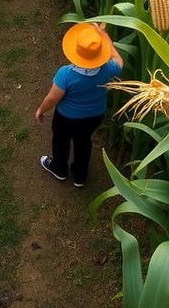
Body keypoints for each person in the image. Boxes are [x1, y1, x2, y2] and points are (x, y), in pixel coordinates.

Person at [34, 23, 123, 188]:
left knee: (61, 142)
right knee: (83, 143)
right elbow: (118, 59)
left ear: (75, 52)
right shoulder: (108, 69)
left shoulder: (66, 74)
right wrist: (104, 37)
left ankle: (59, 169)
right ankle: (80, 176)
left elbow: (52, 99)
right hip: (94, 116)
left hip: (66, 118)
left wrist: (41, 110)